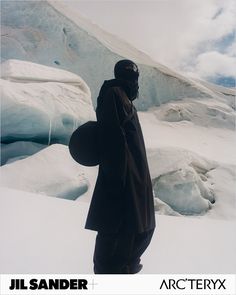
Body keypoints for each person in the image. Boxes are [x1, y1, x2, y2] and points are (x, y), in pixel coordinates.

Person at [85, 59, 156, 274]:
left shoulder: (123, 98)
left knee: (141, 232)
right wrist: (117, 185)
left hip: (133, 183)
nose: (136, 84)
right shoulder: (115, 94)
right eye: (134, 78)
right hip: (125, 187)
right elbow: (112, 141)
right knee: (120, 239)